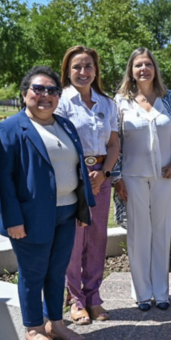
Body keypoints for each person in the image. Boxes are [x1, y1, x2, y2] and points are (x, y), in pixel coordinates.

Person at [0, 66, 95, 340]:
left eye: (52, 90)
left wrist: (84, 209)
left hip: (66, 212)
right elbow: (3, 180)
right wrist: (12, 219)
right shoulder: (9, 129)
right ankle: (34, 328)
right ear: (25, 93)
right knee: (33, 273)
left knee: (57, 271)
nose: (45, 95)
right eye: (38, 89)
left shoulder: (65, 125)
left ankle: (56, 324)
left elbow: (78, 169)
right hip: (30, 217)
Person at [113, 48, 171, 311]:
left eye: (148, 64)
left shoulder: (168, 98)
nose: (143, 69)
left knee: (161, 232)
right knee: (139, 234)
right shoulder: (120, 101)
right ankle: (141, 293)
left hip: (165, 176)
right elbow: (112, 142)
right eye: (138, 65)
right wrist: (116, 177)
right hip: (132, 177)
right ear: (131, 70)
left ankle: (161, 292)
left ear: (155, 69)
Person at [56, 46, 119, 325]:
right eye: (77, 67)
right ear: (68, 71)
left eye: (88, 66)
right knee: (74, 240)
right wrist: (82, 176)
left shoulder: (107, 103)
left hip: (101, 176)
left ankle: (93, 296)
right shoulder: (60, 101)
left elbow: (114, 142)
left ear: (96, 70)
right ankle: (75, 299)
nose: (83, 72)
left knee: (97, 238)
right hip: (71, 176)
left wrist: (103, 174)